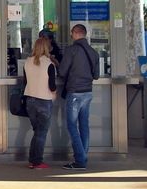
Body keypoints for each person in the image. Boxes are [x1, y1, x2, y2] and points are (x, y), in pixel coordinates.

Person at [58, 23, 100, 170]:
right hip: (88, 92)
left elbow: (62, 72)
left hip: (74, 92)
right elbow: (96, 75)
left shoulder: (71, 50)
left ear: (75, 33)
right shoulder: (94, 52)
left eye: (71, 33)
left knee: (72, 125)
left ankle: (80, 161)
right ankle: (83, 157)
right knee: (84, 126)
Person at [23, 36, 58, 169]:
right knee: (41, 133)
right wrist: (54, 93)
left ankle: (33, 160)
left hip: (30, 100)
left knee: (37, 131)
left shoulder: (27, 62)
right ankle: (37, 161)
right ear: (47, 48)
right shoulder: (49, 64)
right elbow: (52, 86)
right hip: (44, 101)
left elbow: (25, 82)